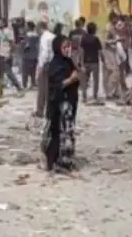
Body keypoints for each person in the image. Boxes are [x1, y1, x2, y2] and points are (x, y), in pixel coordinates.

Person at [41, 34, 80, 173]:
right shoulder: (54, 64)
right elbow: (58, 85)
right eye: (64, 47)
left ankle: (66, 161)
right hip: (59, 103)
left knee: (68, 132)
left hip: (69, 102)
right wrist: (71, 79)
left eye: (68, 46)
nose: (67, 49)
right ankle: (53, 162)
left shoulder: (68, 61)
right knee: (57, 132)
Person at [34, 20, 56, 117]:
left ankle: (40, 110)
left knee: (42, 89)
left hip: (46, 65)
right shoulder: (53, 36)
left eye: (37, 29)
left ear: (40, 28)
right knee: (50, 89)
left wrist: (41, 67)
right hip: (54, 64)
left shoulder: (44, 37)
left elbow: (44, 53)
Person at [80, 22, 103, 103]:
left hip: (86, 61)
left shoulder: (83, 38)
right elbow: (100, 51)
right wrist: (103, 59)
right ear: (94, 30)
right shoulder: (96, 39)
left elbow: (82, 51)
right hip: (94, 61)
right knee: (95, 80)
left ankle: (84, 96)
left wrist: (81, 62)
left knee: (85, 79)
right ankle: (95, 96)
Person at [21, 21, 40, 89]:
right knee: (33, 71)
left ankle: (24, 84)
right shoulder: (36, 34)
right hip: (35, 55)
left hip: (27, 55)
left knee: (25, 71)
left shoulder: (27, 35)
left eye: (26, 26)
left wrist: (22, 45)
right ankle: (33, 83)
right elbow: (38, 45)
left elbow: (27, 45)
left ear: (28, 27)